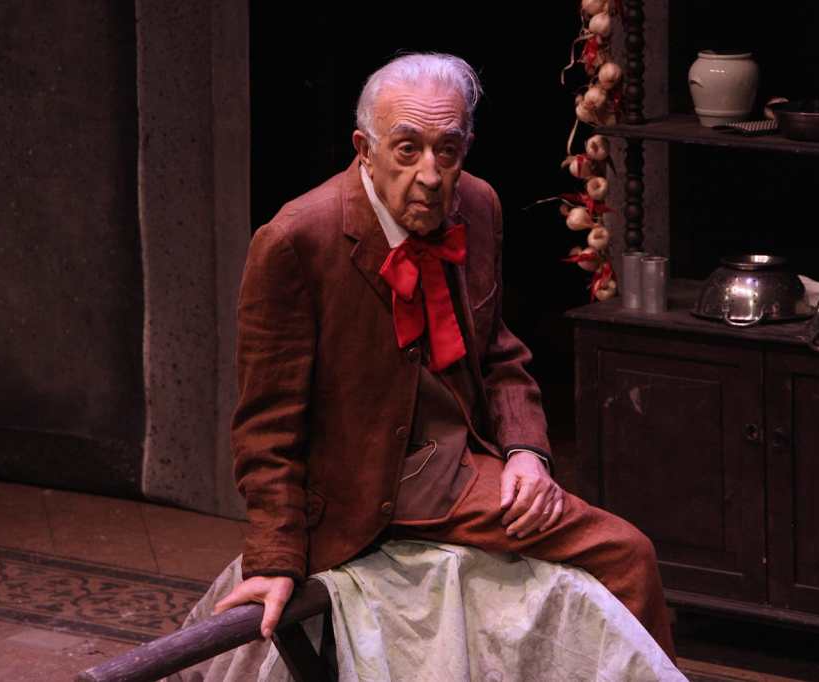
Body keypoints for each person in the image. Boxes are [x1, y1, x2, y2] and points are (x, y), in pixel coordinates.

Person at [213, 52, 675, 660]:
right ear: (365, 149)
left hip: (464, 457)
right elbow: (266, 427)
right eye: (407, 149)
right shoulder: (296, 240)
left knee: (621, 557)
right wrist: (274, 559)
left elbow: (499, 352)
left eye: (447, 150)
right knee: (626, 555)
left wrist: (527, 453)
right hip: (367, 483)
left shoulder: (477, 205)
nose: (430, 175)